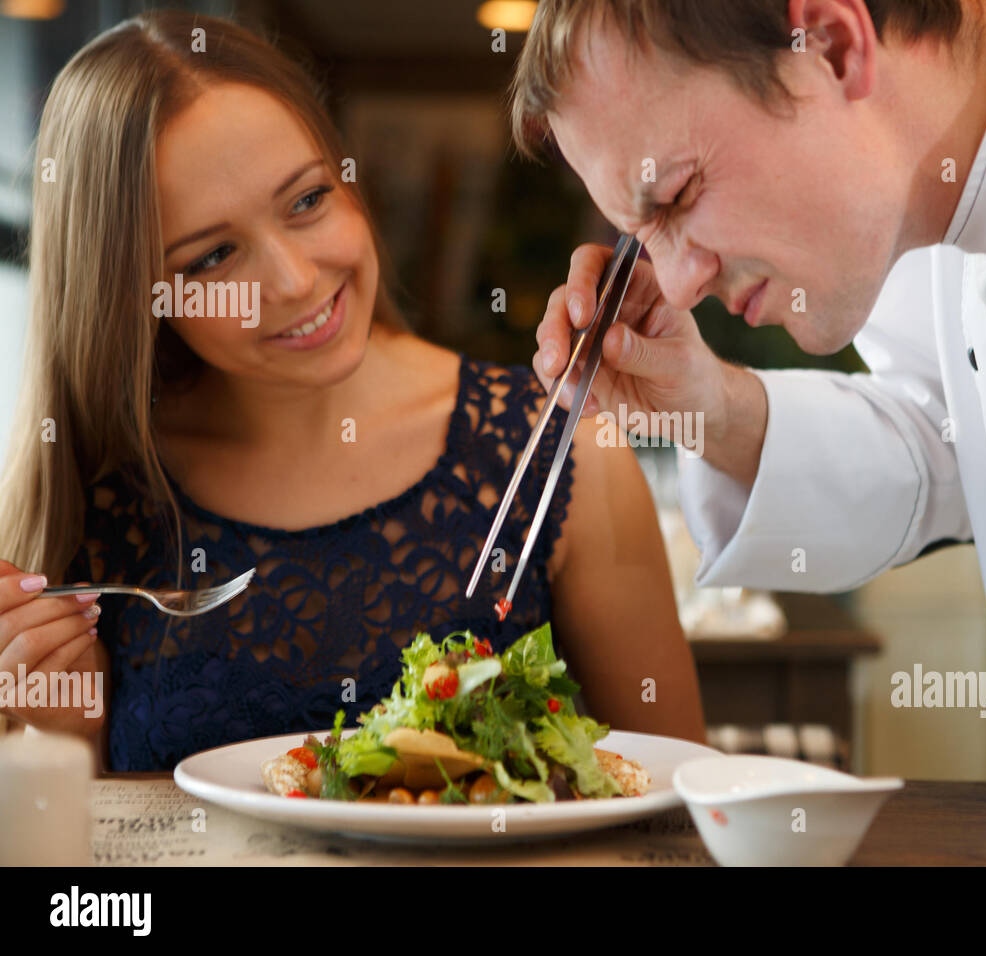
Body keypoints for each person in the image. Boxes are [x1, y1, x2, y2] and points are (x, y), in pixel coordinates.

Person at [515, 0, 986, 863]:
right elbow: (952, 439)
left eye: (677, 197)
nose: (676, 279)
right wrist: (712, 409)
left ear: (839, 47)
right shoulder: (925, 169)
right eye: (641, 236)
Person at [0, 10, 706, 771]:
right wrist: (56, 739)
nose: (296, 280)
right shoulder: (89, 504)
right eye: (211, 258)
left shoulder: (564, 449)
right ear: (133, 295)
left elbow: (677, 812)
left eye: (306, 201)